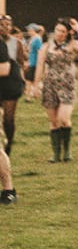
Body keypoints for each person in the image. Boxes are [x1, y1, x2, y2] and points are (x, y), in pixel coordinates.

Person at [35, 17, 78, 163]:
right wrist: (35, 86)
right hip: (50, 85)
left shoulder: (72, 44)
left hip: (67, 84)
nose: (59, 33)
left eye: (63, 31)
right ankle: (56, 154)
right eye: (58, 30)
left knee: (63, 119)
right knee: (53, 121)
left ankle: (67, 150)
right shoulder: (46, 46)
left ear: (67, 33)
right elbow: (40, 66)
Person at [0, 13, 26, 156]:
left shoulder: (16, 43)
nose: (5, 28)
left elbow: (21, 63)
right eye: (2, 25)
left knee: (8, 118)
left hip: (11, 81)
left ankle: (9, 142)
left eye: (7, 25)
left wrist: (24, 81)